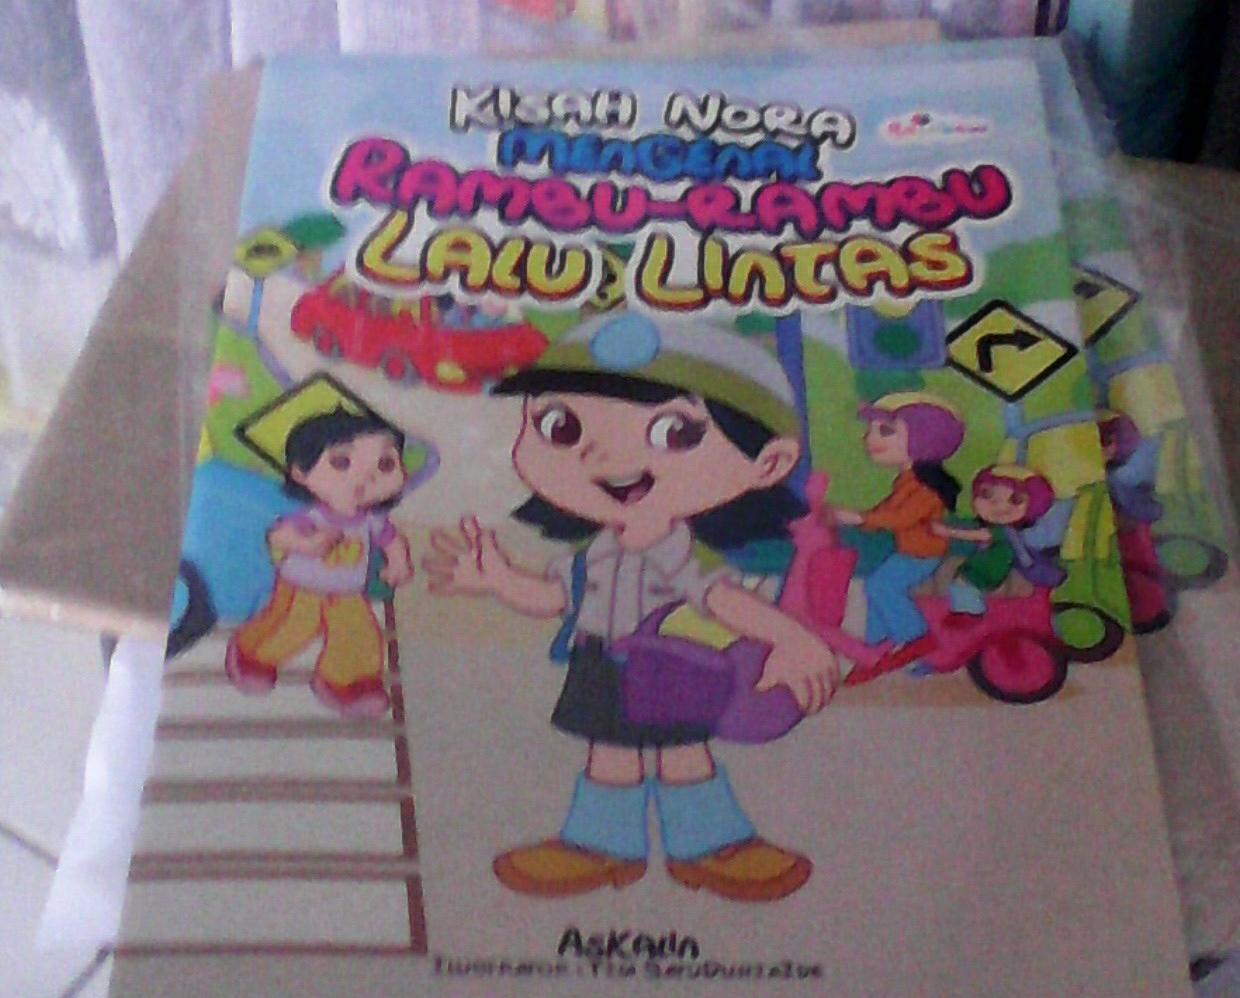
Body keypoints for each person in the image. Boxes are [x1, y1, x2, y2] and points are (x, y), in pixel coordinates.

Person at [423, 313, 839, 902]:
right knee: (609, 755)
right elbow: (559, 598)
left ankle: (713, 843)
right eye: (561, 426)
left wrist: (792, 638)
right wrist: (498, 580)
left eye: (675, 432)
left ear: (767, 462)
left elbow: (721, 599)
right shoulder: (594, 549)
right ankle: (600, 846)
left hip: (668, 664)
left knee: (683, 753)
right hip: (597, 661)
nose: (601, 451)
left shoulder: (681, 550)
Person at [225, 406, 413, 717]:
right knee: (288, 629)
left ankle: (347, 683)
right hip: (301, 588)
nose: (366, 476)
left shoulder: (371, 521)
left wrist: (398, 563)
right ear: (300, 472)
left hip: (347, 593)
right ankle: (252, 657)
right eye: (342, 462)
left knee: (360, 636)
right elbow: (278, 536)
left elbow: (391, 540)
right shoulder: (311, 516)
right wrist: (304, 543)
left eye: (385, 463)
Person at [830, 392, 964, 684]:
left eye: (885, 431)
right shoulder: (907, 480)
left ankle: (917, 638)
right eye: (871, 430)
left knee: (880, 586)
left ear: (923, 438)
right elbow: (888, 509)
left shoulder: (927, 489)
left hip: (922, 554)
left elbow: (903, 518)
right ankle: (875, 648)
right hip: (910, 550)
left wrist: (861, 519)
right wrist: (862, 521)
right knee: (876, 589)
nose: (869, 438)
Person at [946, 464, 1056, 618]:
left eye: (1015, 500)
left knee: (963, 581)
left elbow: (975, 535)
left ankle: (972, 611)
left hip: (990, 565)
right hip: (987, 561)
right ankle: (967, 610)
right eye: (986, 494)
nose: (998, 505)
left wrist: (944, 531)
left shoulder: (1000, 531)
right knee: (961, 581)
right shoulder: (1006, 530)